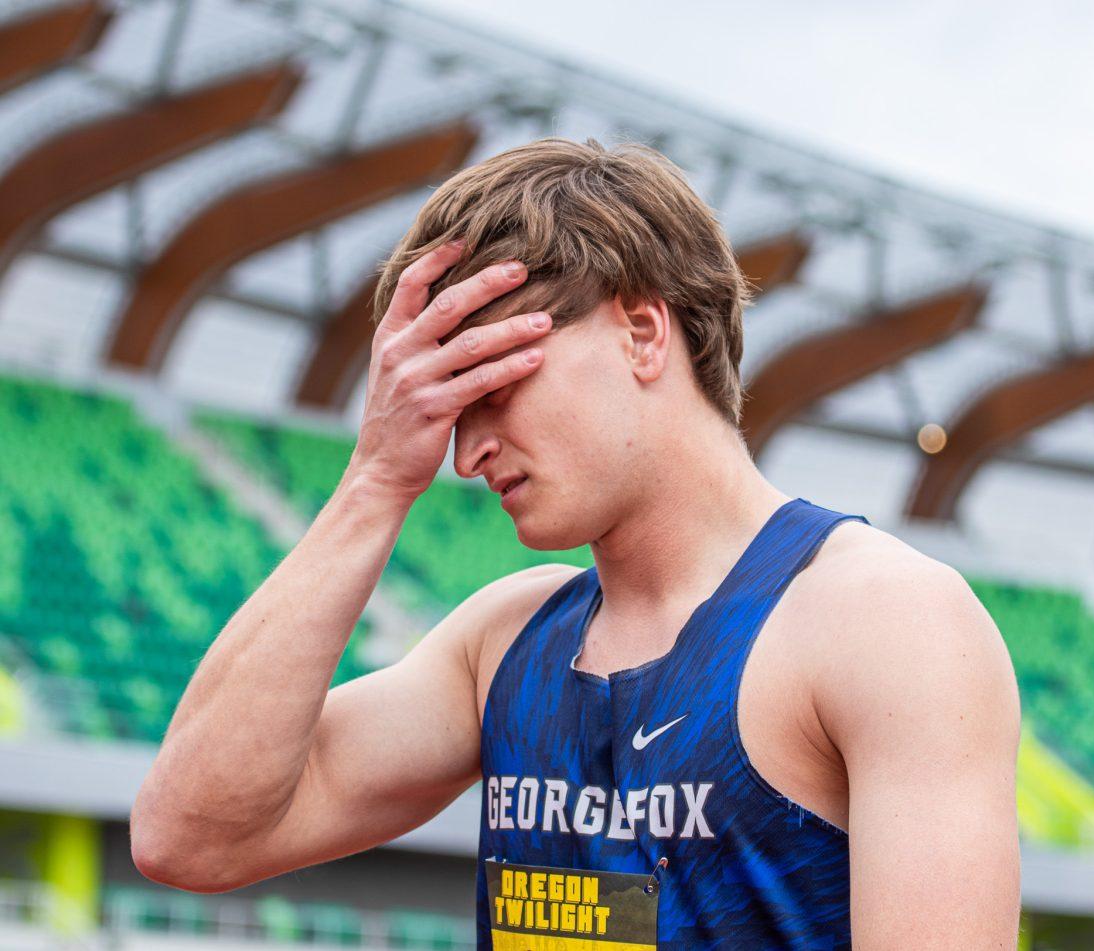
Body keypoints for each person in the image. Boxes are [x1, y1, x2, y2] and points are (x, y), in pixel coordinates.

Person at [130, 137, 1022, 949]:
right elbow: (190, 836)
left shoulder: (885, 621)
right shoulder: (507, 640)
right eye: (446, 404)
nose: (466, 451)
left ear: (640, 332)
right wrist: (374, 480)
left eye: (490, 388)